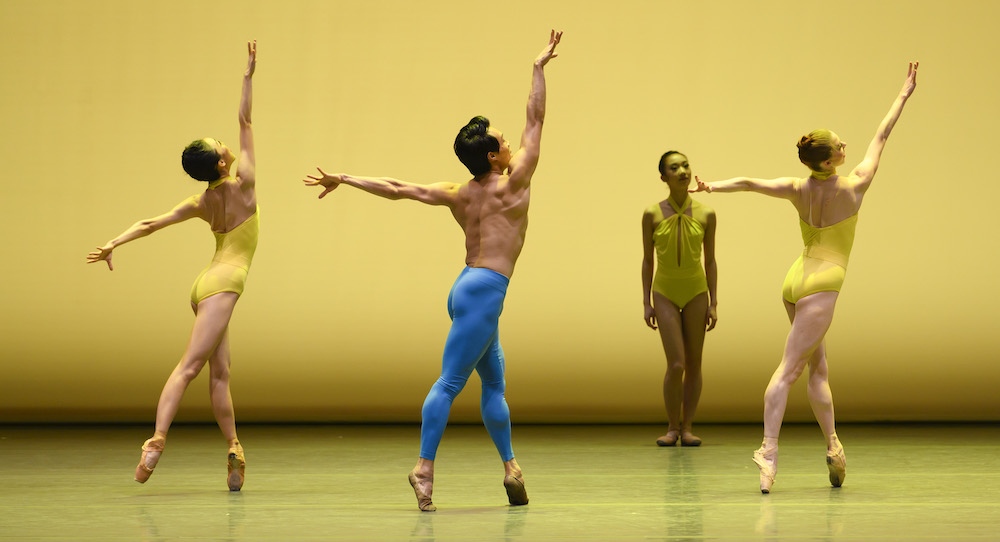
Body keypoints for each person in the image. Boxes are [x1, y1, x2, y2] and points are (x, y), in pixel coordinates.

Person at [304, 30, 562, 511]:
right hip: (484, 292)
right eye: (503, 141)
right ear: (493, 156)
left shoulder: (459, 192)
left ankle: (511, 469)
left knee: (495, 384)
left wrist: (346, 178)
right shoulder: (516, 183)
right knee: (449, 383)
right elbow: (536, 116)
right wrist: (538, 68)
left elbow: (400, 187)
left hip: (470, 289)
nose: (510, 143)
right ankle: (423, 470)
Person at [690, 62, 918, 492]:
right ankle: (768, 451)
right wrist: (903, 95)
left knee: (818, 368)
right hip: (822, 283)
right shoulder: (855, 185)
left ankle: (834, 447)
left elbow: (751, 183)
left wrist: (711, 187)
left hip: (796, 280)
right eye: (839, 143)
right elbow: (881, 135)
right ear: (832, 158)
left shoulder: (798, 187)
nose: (846, 144)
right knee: (789, 371)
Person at [87, 41, 260, 492]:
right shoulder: (246, 184)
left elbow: (151, 222)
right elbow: (245, 120)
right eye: (220, 144)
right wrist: (247, 77)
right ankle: (156, 441)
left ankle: (234, 447)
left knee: (220, 374)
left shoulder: (201, 201)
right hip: (223, 284)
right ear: (223, 161)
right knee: (190, 368)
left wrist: (114, 242)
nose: (226, 142)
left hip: (208, 282)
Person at [641, 151, 717, 447]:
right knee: (676, 364)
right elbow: (647, 261)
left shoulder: (707, 214)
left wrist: (713, 301)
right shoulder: (652, 214)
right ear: (664, 177)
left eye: (686, 165)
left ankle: (688, 427)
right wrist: (646, 302)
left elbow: (710, 261)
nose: (683, 171)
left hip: (697, 291)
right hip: (665, 292)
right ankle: (672, 426)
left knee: (695, 364)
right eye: (675, 168)